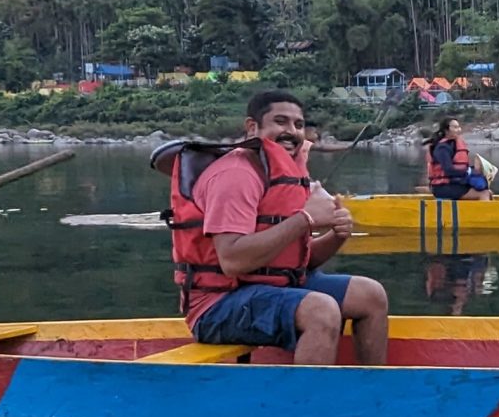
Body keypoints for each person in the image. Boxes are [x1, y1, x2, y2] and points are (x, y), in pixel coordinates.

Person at [160, 89, 390, 365]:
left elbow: (296, 265)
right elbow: (232, 260)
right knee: (321, 310)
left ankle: (373, 392)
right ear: (252, 127)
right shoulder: (235, 175)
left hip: (269, 289)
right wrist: (305, 219)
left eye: (299, 124)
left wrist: (337, 235)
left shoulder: (283, 174)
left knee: (370, 295)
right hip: (217, 305)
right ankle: (303, 407)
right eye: (280, 122)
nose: (291, 131)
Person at [425, 116, 493, 201]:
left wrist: (475, 169)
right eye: (455, 127)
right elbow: (448, 170)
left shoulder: (453, 144)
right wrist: (469, 171)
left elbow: (460, 168)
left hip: (454, 184)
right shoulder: (442, 148)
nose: (459, 130)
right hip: (442, 188)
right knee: (484, 193)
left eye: (459, 127)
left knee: (489, 192)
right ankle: (486, 214)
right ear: (446, 130)